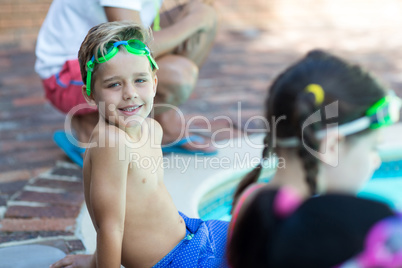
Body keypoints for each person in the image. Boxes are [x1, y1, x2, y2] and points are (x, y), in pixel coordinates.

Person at [51, 21, 228, 268]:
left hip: (193, 236)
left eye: (140, 80)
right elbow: (110, 226)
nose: (130, 93)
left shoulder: (151, 130)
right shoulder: (110, 142)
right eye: (114, 84)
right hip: (176, 261)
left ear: (154, 84)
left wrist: (92, 261)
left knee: (259, 232)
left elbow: (142, 210)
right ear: (90, 94)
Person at [226, 50, 402, 267]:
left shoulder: (251, 202)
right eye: (373, 148)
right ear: (331, 146)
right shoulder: (372, 233)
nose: (375, 161)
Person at [35, 0, 218, 167]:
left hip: (107, 49)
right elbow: (132, 45)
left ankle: (164, 122)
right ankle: (90, 126)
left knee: (201, 11)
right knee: (179, 75)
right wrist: (194, 22)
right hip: (65, 73)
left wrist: (199, 17)